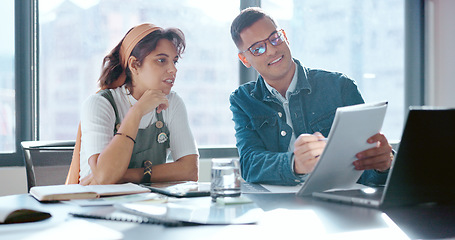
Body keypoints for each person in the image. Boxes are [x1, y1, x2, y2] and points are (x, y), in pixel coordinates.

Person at [229, 8, 393, 186]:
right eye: (258, 49)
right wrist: (294, 164)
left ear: (284, 36)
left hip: (338, 200)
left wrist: (383, 165)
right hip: (277, 207)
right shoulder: (243, 100)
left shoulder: (340, 87)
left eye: (275, 38)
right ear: (245, 60)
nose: (271, 51)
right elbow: (250, 164)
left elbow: (368, 170)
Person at [77, 23, 198, 185]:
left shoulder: (172, 102)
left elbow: (189, 170)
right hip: (97, 206)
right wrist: (137, 111)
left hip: (149, 205)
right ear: (134, 65)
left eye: (174, 62)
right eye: (161, 60)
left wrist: (123, 175)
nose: (173, 70)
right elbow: (106, 177)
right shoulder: (100, 104)